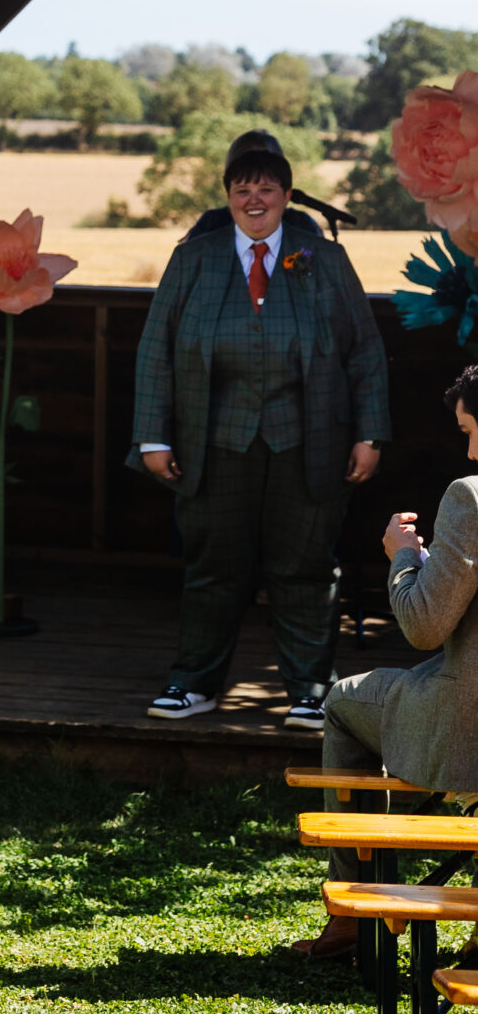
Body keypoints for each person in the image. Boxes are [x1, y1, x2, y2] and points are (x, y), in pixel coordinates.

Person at [130, 128, 389, 730]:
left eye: (266, 189)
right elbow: (155, 350)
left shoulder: (322, 257)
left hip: (309, 441)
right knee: (213, 567)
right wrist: (153, 437)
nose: (254, 199)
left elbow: (365, 352)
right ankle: (191, 685)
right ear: (227, 196)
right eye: (242, 188)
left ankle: (308, 694)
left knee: (304, 569)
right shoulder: (193, 257)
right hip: (214, 443)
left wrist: (369, 434)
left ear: (287, 196)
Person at [293, 363, 478, 960]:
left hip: (466, 724)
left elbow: (425, 626)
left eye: (472, 429)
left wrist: (404, 558)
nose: (471, 449)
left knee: (343, 699)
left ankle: (352, 906)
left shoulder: (470, 498)